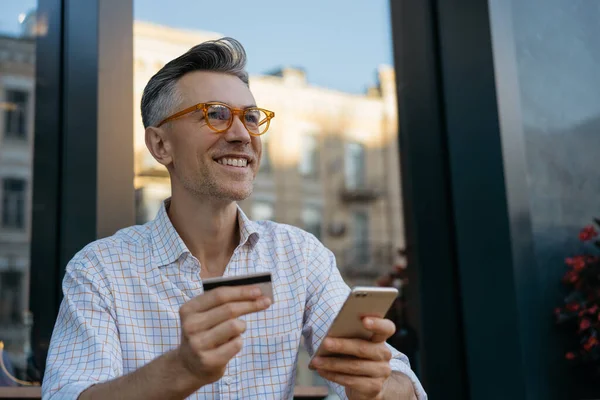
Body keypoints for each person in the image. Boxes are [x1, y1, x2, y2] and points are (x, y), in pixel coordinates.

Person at [41, 38, 426, 400]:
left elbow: (403, 385)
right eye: (216, 114)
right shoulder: (101, 269)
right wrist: (181, 369)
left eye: (251, 117)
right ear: (161, 144)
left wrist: (374, 388)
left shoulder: (299, 256)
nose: (242, 134)